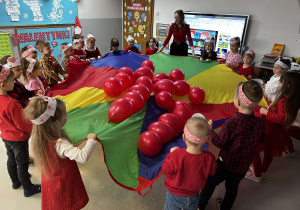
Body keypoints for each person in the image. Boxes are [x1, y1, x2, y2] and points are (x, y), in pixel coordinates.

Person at [198, 80, 264, 210]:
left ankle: (200, 206)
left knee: (210, 183)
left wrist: (210, 131)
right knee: (232, 187)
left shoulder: (232, 123)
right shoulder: (259, 122)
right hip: (242, 166)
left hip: (225, 164)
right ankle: (225, 207)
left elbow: (220, 142)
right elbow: (260, 138)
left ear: (238, 102)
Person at [24, 96, 99, 209]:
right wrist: (91, 140)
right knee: (67, 203)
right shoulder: (60, 144)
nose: (67, 116)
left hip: (50, 181)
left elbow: (31, 154)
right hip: (64, 183)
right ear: (56, 122)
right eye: (65, 114)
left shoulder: (34, 138)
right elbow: (82, 156)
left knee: (56, 203)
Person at [246, 71, 300, 182]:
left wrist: (266, 112)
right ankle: (261, 170)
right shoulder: (290, 100)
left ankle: (256, 175)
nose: (279, 84)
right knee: (268, 152)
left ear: (288, 86)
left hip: (270, 129)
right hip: (276, 131)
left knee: (255, 151)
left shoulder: (284, 101)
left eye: (281, 82)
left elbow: (280, 119)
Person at [0, 65, 41, 197]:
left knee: (11, 158)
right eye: (12, 81)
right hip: (18, 139)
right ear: (3, 85)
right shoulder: (12, 103)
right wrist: (33, 127)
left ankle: (15, 182)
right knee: (22, 163)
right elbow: (23, 124)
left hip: (5, 136)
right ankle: (28, 188)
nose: (14, 83)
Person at [162, 115, 217, 210]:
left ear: (184, 137)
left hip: (174, 195)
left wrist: (171, 155)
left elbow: (165, 170)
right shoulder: (210, 158)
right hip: (194, 195)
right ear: (207, 140)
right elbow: (212, 172)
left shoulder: (176, 155)